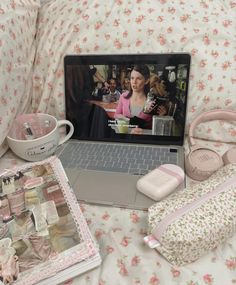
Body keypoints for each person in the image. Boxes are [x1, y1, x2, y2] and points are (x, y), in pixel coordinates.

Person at [114, 64, 152, 134]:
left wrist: (161, 116)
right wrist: (123, 119)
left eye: (138, 78)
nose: (134, 82)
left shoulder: (151, 102)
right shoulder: (123, 96)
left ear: (146, 81)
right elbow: (116, 115)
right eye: (132, 78)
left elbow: (154, 127)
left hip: (144, 140)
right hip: (126, 138)